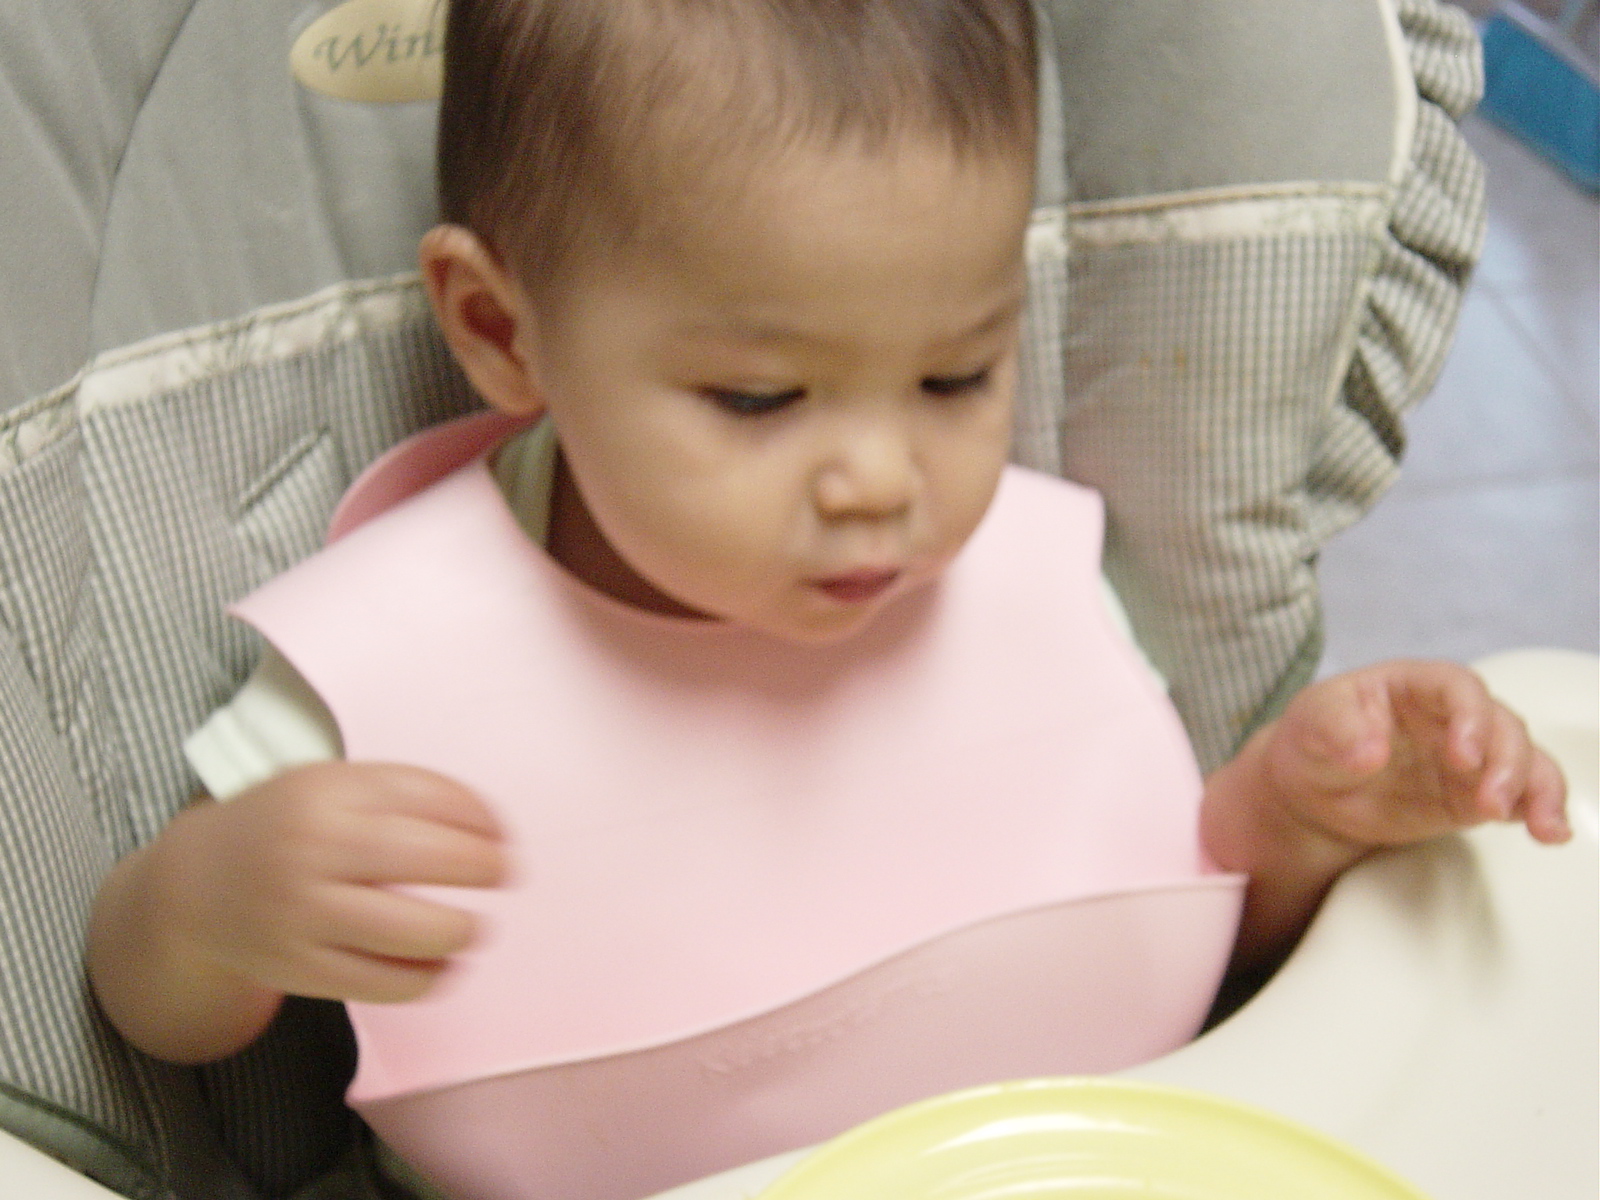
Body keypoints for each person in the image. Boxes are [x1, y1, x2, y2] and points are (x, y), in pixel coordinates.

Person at [85, 2, 1570, 1198]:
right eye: (760, 398)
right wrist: (210, 912)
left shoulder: (1029, 585)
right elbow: (154, 1011)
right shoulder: (393, 663)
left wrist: (1300, 816)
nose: (880, 480)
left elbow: (1152, 913)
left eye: (954, 376)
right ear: (499, 326)